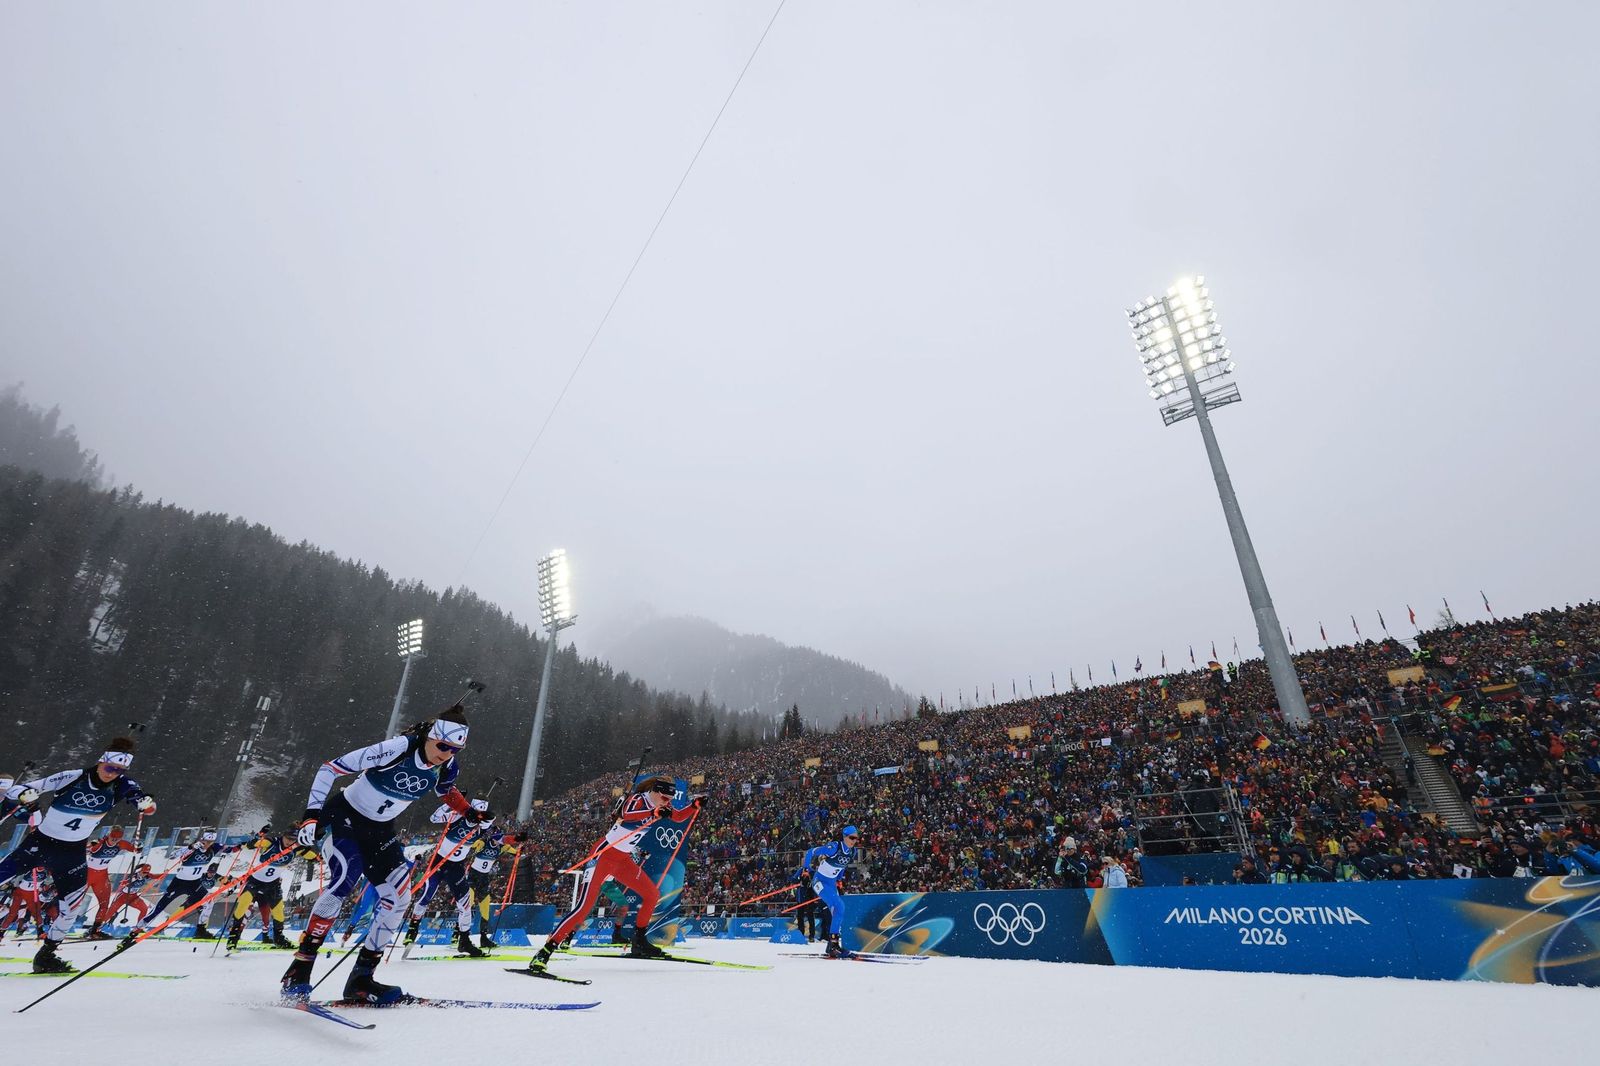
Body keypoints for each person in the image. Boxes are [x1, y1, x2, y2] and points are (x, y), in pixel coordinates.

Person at [279, 705, 472, 1005]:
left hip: (379, 832)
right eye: (442, 746)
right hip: (344, 818)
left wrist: (470, 812)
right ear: (430, 737)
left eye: (454, 749)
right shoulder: (398, 748)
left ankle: (361, 980)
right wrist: (311, 816)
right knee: (346, 877)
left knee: (399, 898)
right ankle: (299, 969)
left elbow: (447, 793)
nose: (446, 754)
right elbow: (330, 768)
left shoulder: (447, 767)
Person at [0, 738, 156, 972]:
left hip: (72, 853)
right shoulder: (73, 776)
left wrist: (145, 804)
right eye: (110, 768)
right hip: (41, 843)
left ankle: (46, 956)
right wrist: (26, 795)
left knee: (71, 907)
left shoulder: (123, 783)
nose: (113, 774)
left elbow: (147, 805)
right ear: (101, 761)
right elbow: (16, 790)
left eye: (119, 770)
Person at [519, 774, 700, 973]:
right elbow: (627, 815)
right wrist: (654, 811)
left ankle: (639, 941)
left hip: (622, 860)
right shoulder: (638, 799)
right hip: (602, 856)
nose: (669, 801)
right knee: (584, 907)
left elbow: (679, 816)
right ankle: (544, 952)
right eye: (666, 797)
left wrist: (694, 805)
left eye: (671, 798)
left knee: (652, 894)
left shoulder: (662, 805)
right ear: (655, 791)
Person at [402, 796, 495, 957]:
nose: (478, 816)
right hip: (439, 861)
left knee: (465, 903)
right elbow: (434, 817)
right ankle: (413, 928)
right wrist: (450, 804)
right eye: (476, 812)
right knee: (426, 895)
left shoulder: (482, 824)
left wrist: (484, 816)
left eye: (481, 812)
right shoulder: (457, 815)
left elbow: (489, 819)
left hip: (456, 866)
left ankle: (464, 941)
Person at [134, 829, 236, 940]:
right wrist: (190, 848)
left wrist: (249, 844)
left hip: (195, 883)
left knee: (209, 902)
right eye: (206, 841)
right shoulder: (193, 848)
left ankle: (201, 930)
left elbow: (232, 849)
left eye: (210, 842)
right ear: (202, 839)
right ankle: (138, 928)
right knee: (160, 906)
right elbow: (173, 856)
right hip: (179, 883)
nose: (207, 844)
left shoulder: (214, 847)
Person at [225, 828, 298, 950]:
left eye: (293, 840)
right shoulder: (271, 842)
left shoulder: (295, 847)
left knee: (279, 911)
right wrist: (259, 837)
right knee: (243, 904)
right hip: (255, 881)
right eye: (288, 838)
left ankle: (279, 938)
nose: (290, 842)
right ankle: (233, 938)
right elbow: (251, 845)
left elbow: (309, 854)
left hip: (272, 884)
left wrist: (317, 858)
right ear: (283, 836)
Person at [803, 824, 861, 959]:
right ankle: (834, 945)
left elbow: (842, 867)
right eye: (851, 838)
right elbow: (811, 852)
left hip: (831, 883)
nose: (854, 841)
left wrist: (839, 880)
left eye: (856, 838)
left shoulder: (852, 852)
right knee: (839, 906)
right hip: (820, 882)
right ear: (845, 837)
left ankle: (832, 945)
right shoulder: (834, 847)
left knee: (837, 910)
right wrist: (806, 869)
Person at [466, 814, 517, 951]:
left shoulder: (502, 847)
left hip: (484, 879)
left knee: (485, 908)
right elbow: (471, 844)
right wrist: (475, 840)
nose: (501, 840)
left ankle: (484, 938)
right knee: (468, 903)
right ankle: (458, 934)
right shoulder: (483, 843)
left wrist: (520, 850)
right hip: (473, 877)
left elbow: (515, 852)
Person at [84, 826, 137, 939]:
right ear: (109, 835)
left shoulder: (120, 844)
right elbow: (92, 850)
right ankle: (55, 928)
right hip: (87, 875)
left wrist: (138, 847)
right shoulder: (101, 843)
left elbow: (133, 849)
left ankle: (95, 931)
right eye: (112, 838)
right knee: (73, 902)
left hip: (102, 876)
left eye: (117, 839)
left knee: (104, 905)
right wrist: (94, 844)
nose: (114, 841)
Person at [104, 863, 156, 928]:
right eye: (144, 872)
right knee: (111, 910)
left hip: (133, 897)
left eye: (147, 872)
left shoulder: (147, 876)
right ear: (140, 870)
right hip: (123, 897)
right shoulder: (133, 876)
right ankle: (99, 926)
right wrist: (126, 882)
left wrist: (165, 873)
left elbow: (155, 876)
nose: (145, 874)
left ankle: (139, 927)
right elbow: (123, 882)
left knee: (144, 909)